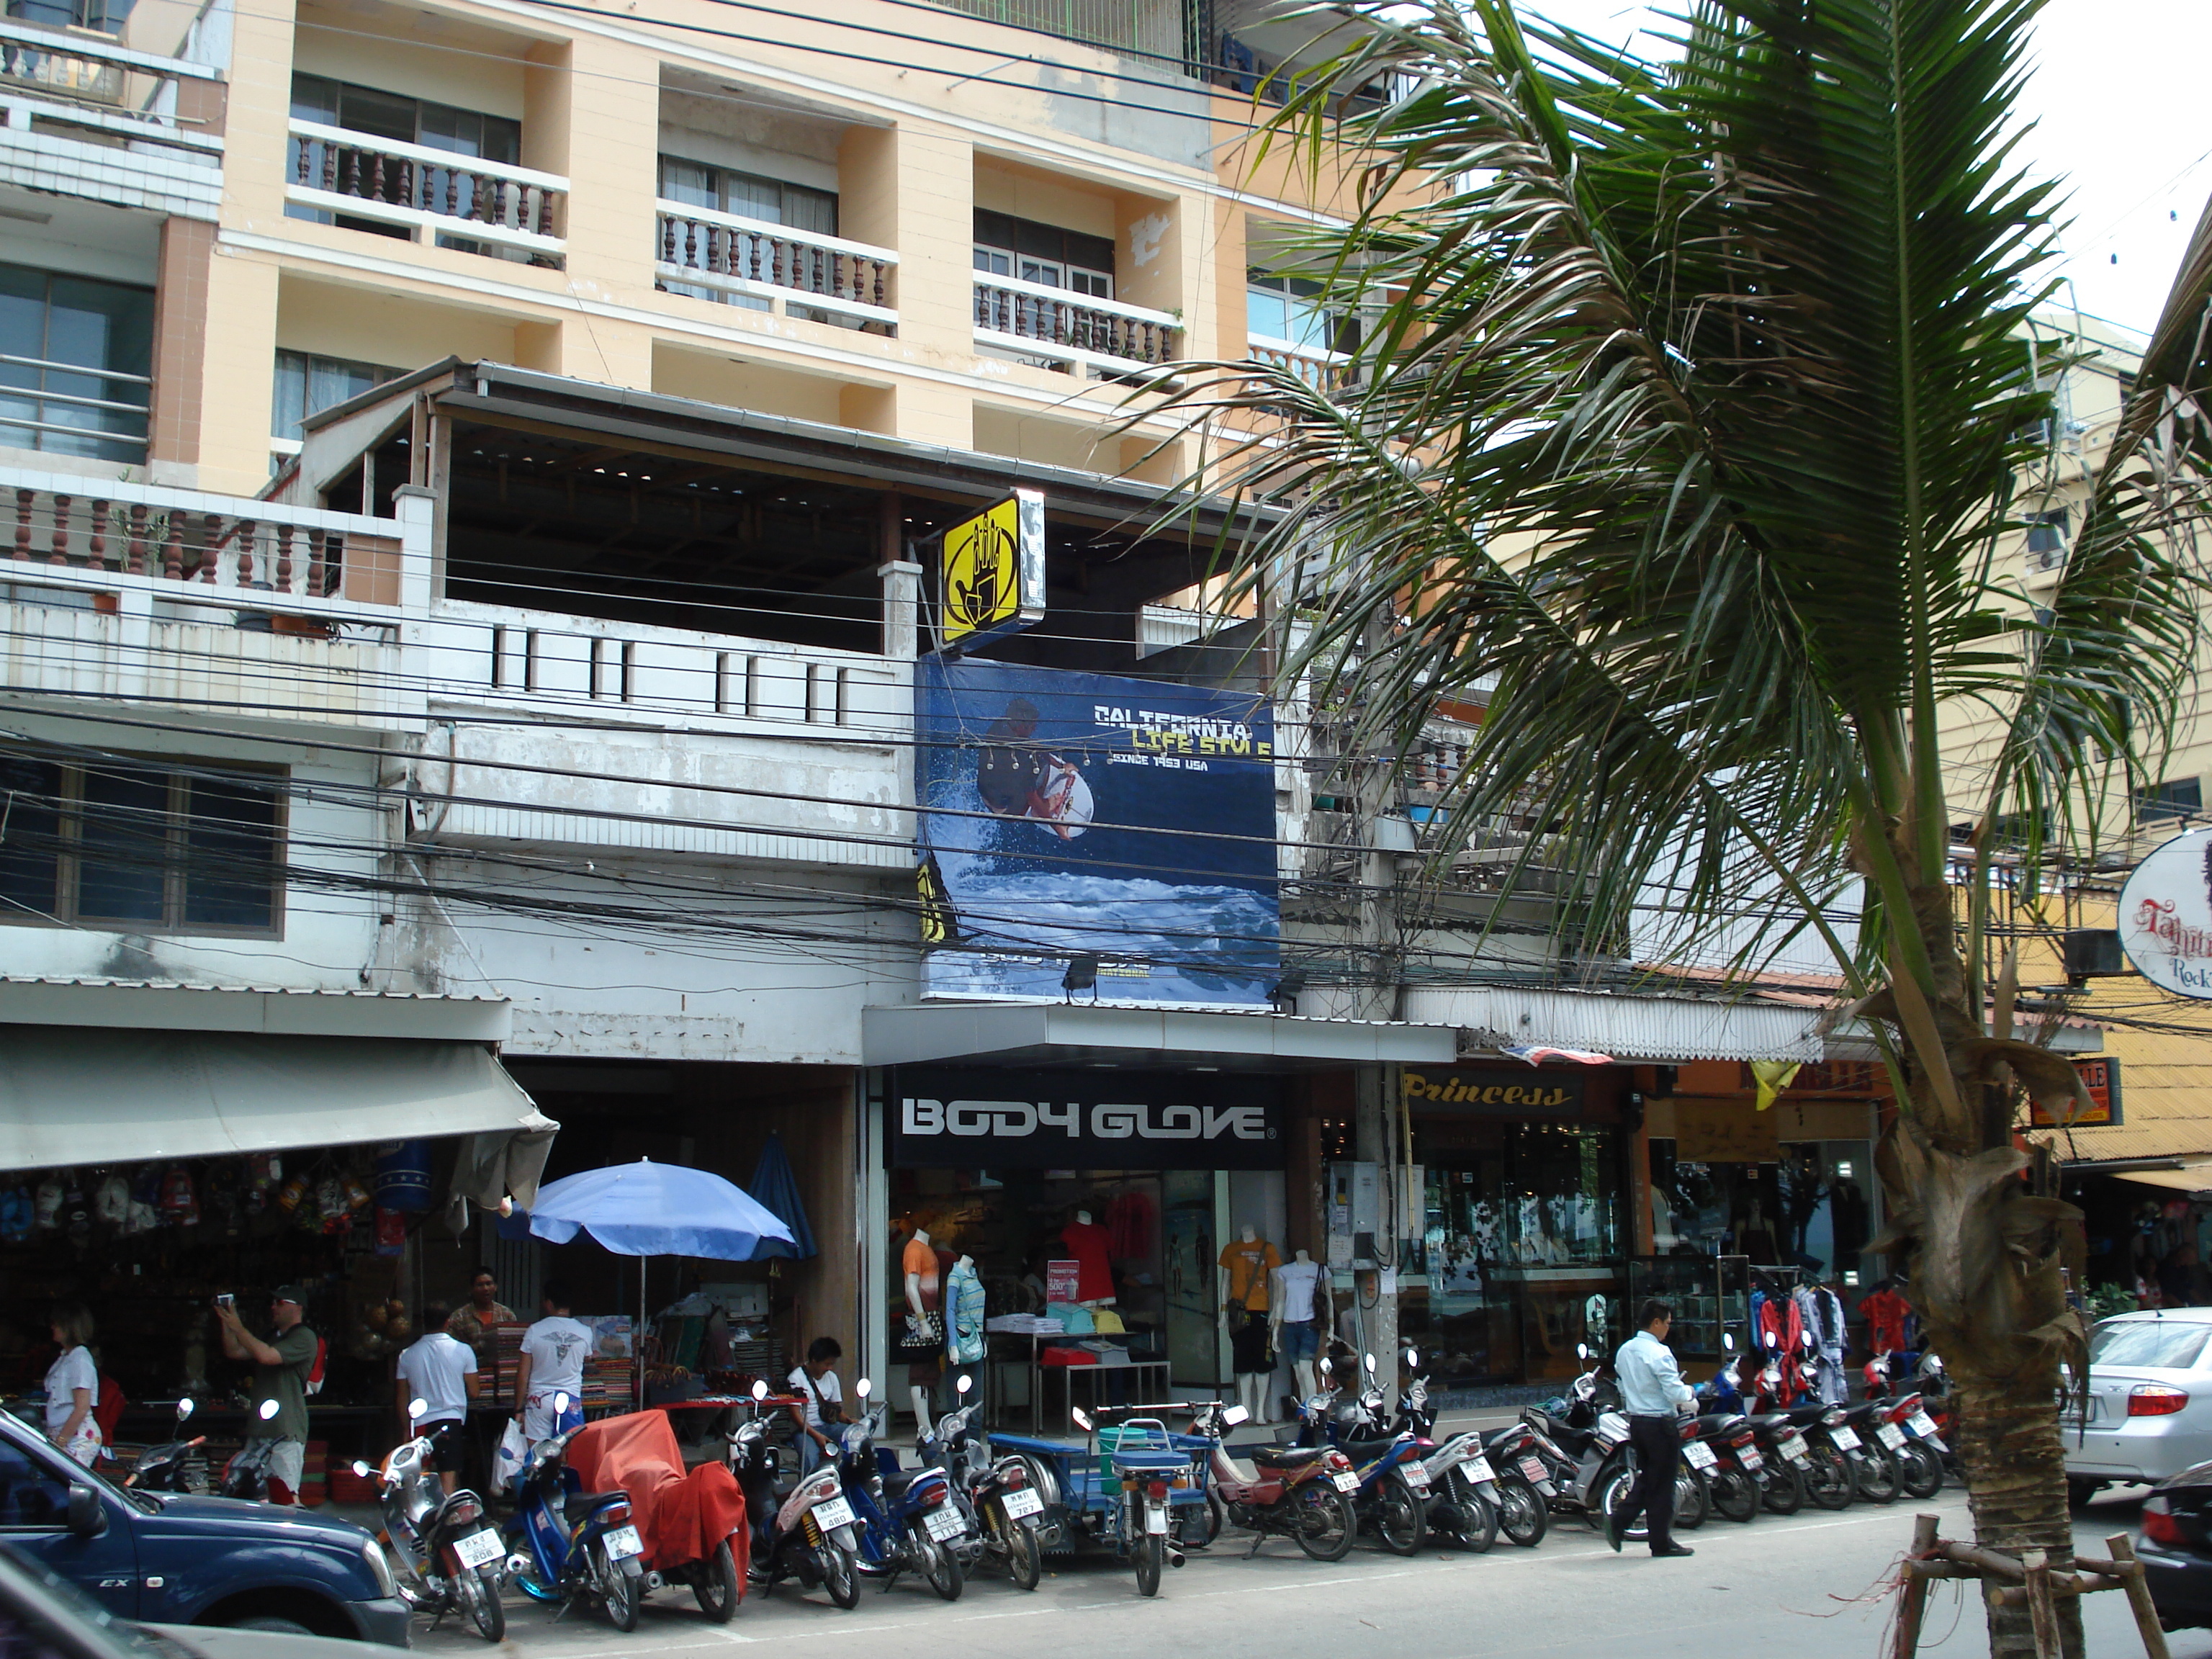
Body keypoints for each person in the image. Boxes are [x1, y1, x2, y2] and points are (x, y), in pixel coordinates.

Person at [1606, 1298, 1696, 1559]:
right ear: (1655, 1322)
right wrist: (1690, 1392)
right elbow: (1674, 1391)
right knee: (1663, 1484)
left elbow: (1623, 1385)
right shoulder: (1659, 1353)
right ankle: (1656, 1539)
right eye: (1667, 1323)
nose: (1668, 1329)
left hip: (1638, 1423)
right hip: (1659, 1423)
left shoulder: (1625, 1350)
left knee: (1650, 1478)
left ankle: (1628, 1524)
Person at [216, 1285, 317, 1504]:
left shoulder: (305, 1337)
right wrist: (226, 1320)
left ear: (298, 1308)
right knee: (250, 1495)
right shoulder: (272, 1336)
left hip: (285, 1431)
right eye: (273, 1303)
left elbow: (267, 1356)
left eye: (280, 1303)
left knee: (285, 1497)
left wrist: (238, 1326)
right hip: (259, 1429)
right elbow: (234, 1351)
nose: (274, 1308)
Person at [395, 1301, 479, 1495]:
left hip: (420, 1423)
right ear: (448, 1322)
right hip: (451, 1420)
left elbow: (402, 1398)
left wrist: (406, 1429)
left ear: (424, 1323)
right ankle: (447, 1517)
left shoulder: (406, 1355)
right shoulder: (464, 1350)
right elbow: (475, 1391)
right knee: (448, 1481)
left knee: (418, 1480)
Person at [513, 1282, 590, 1447]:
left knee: (536, 1455)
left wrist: (519, 1409)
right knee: (567, 1453)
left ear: (548, 1304)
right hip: (570, 1399)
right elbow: (588, 1359)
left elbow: (523, 1375)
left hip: (539, 1399)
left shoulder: (534, 1330)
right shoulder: (585, 1332)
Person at [44, 1301, 99, 1468]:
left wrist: (61, 1441)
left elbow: (81, 1407)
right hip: (64, 1434)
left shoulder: (80, 1359)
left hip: (76, 1437)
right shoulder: (65, 1357)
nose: (53, 1327)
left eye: (58, 1324)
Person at [786, 1336, 844, 1474]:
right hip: (804, 1430)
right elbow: (795, 1416)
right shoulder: (795, 1379)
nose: (829, 1368)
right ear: (814, 1360)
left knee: (857, 1440)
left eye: (832, 1364)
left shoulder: (832, 1377)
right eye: (827, 1364)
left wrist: (852, 1423)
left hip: (829, 1427)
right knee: (809, 1457)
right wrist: (817, 1436)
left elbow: (836, 1411)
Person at [445, 1270, 518, 1367]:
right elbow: (452, 1350)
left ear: (495, 1287)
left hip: (502, 1373)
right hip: (471, 1370)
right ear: (471, 1289)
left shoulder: (507, 1314)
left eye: (489, 1284)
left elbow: (514, 1347)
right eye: (480, 1285)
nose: (485, 1289)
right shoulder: (460, 1317)